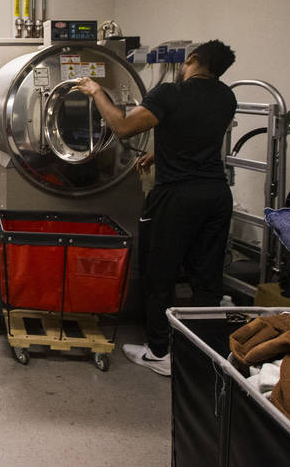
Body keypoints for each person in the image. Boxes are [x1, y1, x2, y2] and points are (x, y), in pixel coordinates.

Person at [76, 39, 237, 377]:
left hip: (176, 197)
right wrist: (160, 154)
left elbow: (121, 127)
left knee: (159, 275)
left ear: (192, 59)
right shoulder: (227, 97)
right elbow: (197, 136)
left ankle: (159, 351)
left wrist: (95, 91)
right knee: (207, 279)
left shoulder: (169, 93)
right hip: (215, 194)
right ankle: (203, 353)